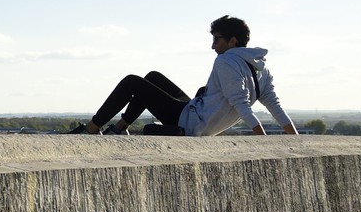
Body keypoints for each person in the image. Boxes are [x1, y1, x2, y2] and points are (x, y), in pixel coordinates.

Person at [70, 15, 298, 136]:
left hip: (190, 124)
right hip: (196, 114)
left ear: (232, 41)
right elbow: (274, 106)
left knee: (133, 81)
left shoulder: (226, 61)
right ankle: (118, 129)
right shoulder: (261, 69)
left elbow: (241, 105)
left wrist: (262, 139)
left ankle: (91, 129)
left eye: (216, 40)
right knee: (153, 77)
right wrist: (294, 137)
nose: (212, 46)